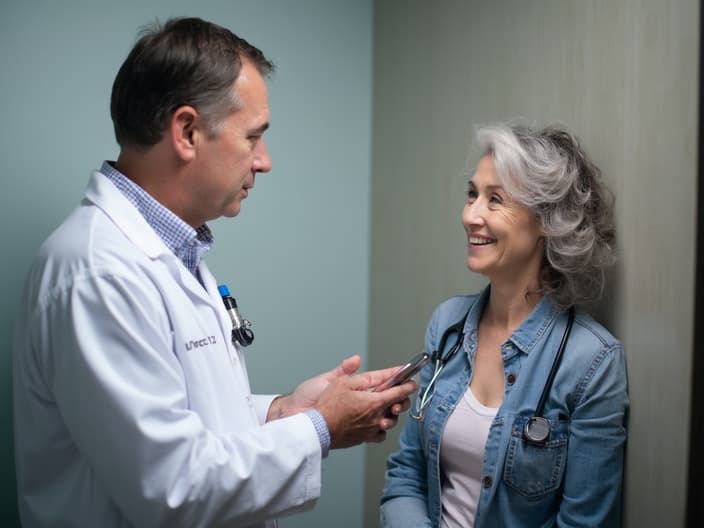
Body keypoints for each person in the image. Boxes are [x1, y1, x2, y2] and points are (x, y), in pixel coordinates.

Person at [12, 17, 416, 528]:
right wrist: (321, 427)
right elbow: (174, 488)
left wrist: (283, 410)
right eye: (253, 138)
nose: (263, 162)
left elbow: (187, 422)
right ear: (186, 132)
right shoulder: (99, 273)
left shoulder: (168, 250)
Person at [380, 123, 629, 527]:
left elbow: (585, 522)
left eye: (495, 200)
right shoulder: (447, 324)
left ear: (548, 222)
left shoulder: (591, 363)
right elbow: (407, 475)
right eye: (472, 194)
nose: (470, 215)